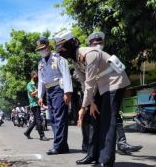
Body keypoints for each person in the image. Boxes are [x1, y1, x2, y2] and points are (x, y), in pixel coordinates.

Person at [55, 31, 131, 167]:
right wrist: (91, 103)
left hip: (114, 82)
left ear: (72, 44)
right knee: (94, 119)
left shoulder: (89, 54)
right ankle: (92, 154)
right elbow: (84, 83)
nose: (61, 51)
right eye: (59, 48)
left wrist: (83, 108)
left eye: (63, 47)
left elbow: (90, 82)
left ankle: (106, 160)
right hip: (101, 86)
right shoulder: (75, 60)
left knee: (108, 121)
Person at [87, 31, 143, 155]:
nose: (98, 45)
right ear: (89, 45)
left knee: (114, 115)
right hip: (94, 93)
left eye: (100, 43)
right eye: (95, 43)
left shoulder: (106, 56)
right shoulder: (88, 56)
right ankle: (95, 149)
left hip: (107, 90)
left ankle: (121, 143)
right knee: (98, 121)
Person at [36, 36, 73, 155]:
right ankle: (63, 146)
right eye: (40, 49)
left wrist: (67, 92)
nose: (42, 50)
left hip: (59, 89)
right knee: (52, 118)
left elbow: (66, 75)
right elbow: (41, 80)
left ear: (48, 46)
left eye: (43, 47)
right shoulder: (41, 63)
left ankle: (57, 146)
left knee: (59, 118)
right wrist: (40, 96)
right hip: (48, 91)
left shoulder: (58, 59)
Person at [23, 71, 49, 141]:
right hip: (33, 105)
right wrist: (39, 89)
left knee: (35, 121)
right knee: (38, 120)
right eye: (36, 76)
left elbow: (37, 96)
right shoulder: (29, 85)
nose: (37, 77)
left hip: (37, 103)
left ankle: (27, 132)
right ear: (33, 76)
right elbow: (32, 94)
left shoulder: (35, 84)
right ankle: (42, 136)